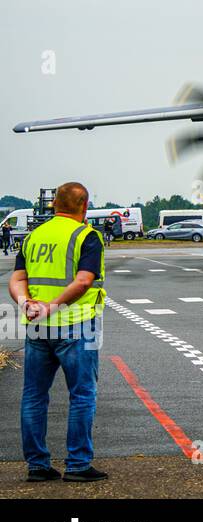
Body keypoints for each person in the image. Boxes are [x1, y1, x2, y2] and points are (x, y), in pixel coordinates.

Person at [7, 181, 109, 483]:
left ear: (54, 206)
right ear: (85, 206)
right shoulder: (87, 236)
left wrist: (26, 303)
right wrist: (53, 306)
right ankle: (77, 465)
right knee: (82, 395)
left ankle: (37, 465)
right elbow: (84, 281)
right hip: (78, 324)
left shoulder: (34, 236)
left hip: (37, 327)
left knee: (34, 396)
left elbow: (17, 278)